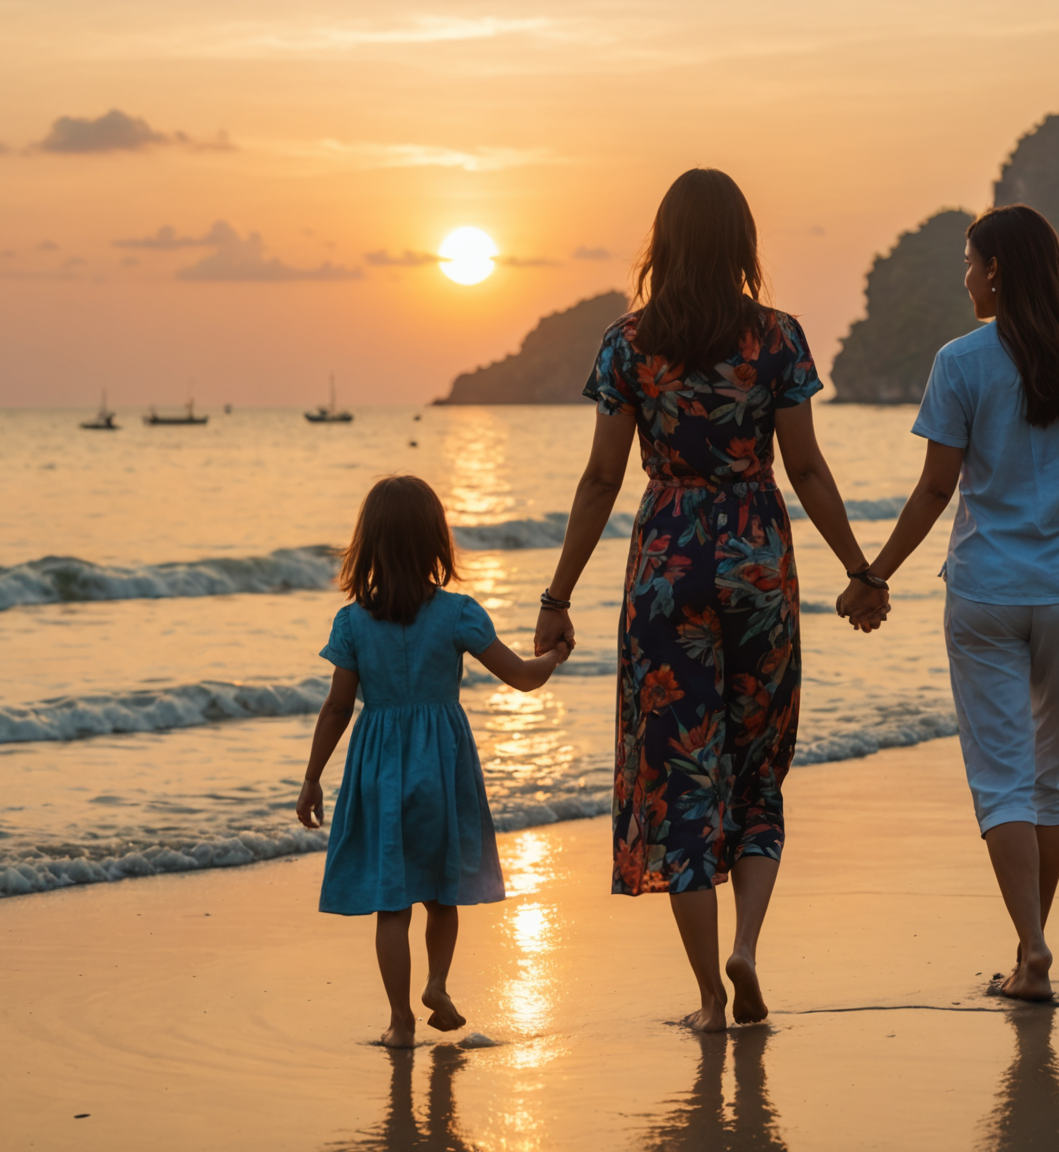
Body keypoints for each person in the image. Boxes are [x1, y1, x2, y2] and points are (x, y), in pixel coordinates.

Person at [532, 168, 886, 1032]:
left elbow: (599, 479)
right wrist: (861, 570)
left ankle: (706, 998)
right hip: (757, 561)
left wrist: (557, 594)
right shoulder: (777, 338)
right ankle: (749, 948)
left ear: (664, 242)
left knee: (683, 777)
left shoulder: (627, 343)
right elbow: (805, 468)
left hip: (663, 565)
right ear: (741, 243)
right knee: (758, 771)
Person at [837, 203, 1059, 1001]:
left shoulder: (960, 362)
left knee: (1002, 778)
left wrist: (876, 574)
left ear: (996, 270)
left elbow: (938, 486)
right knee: (1052, 778)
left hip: (985, 594)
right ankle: (1030, 946)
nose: (964, 278)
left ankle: (1032, 948)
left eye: (969, 263)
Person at [296, 475, 572, 1047]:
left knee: (391, 904)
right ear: (434, 542)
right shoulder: (457, 614)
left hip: (377, 770)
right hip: (442, 766)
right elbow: (522, 677)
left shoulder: (351, 622)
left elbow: (337, 708)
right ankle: (438, 984)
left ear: (368, 543)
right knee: (442, 892)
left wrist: (312, 778)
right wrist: (557, 654)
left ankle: (400, 1022)